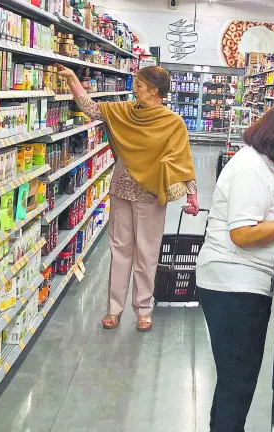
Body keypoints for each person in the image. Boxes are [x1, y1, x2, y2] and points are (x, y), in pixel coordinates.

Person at [195, 104, 274, 432]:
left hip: (244, 282)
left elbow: (262, 214)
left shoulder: (266, 166)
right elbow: (242, 233)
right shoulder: (250, 168)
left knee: (235, 378)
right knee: (238, 380)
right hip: (232, 284)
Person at [56, 63, 199, 332]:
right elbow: (92, 109)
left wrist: (192, 193)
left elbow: (183, 158)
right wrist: (73, 79)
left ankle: (143, 309)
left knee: (147, 253)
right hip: (121, 189)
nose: (135, 89)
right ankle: (114, 309)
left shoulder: (172, 122)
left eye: (140, 85)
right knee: (119, 250)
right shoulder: (124, 111)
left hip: (151, 193)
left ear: (154, 91)